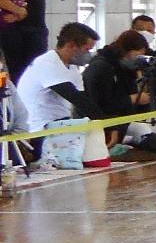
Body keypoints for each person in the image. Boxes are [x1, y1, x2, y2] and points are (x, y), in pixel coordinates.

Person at [16, 21, 97, 155]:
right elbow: (75, 98)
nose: (89, 55)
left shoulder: (72, 68)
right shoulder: (47, 64)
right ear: (72, 45)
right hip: (39, 130)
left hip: (61, 124)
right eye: (87, 49)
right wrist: (105, 122)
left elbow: (84, 99)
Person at [83, 30, 155, 149]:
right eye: (136, 56)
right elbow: (98, 104)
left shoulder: (126, 69)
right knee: (142, 131)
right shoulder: (101, 68)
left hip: (124, 119)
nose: (137, 61)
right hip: (106, 121)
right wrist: (130, 99)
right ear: (127, 52)